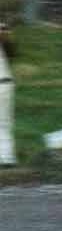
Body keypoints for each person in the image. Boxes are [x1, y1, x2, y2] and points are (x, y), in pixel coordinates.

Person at [0, 21, 16, 166]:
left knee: (4, 123)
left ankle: (7, 158)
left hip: (4, 84)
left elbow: (11, 52)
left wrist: (6, 35)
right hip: (5, 84)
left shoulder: (4, 44)